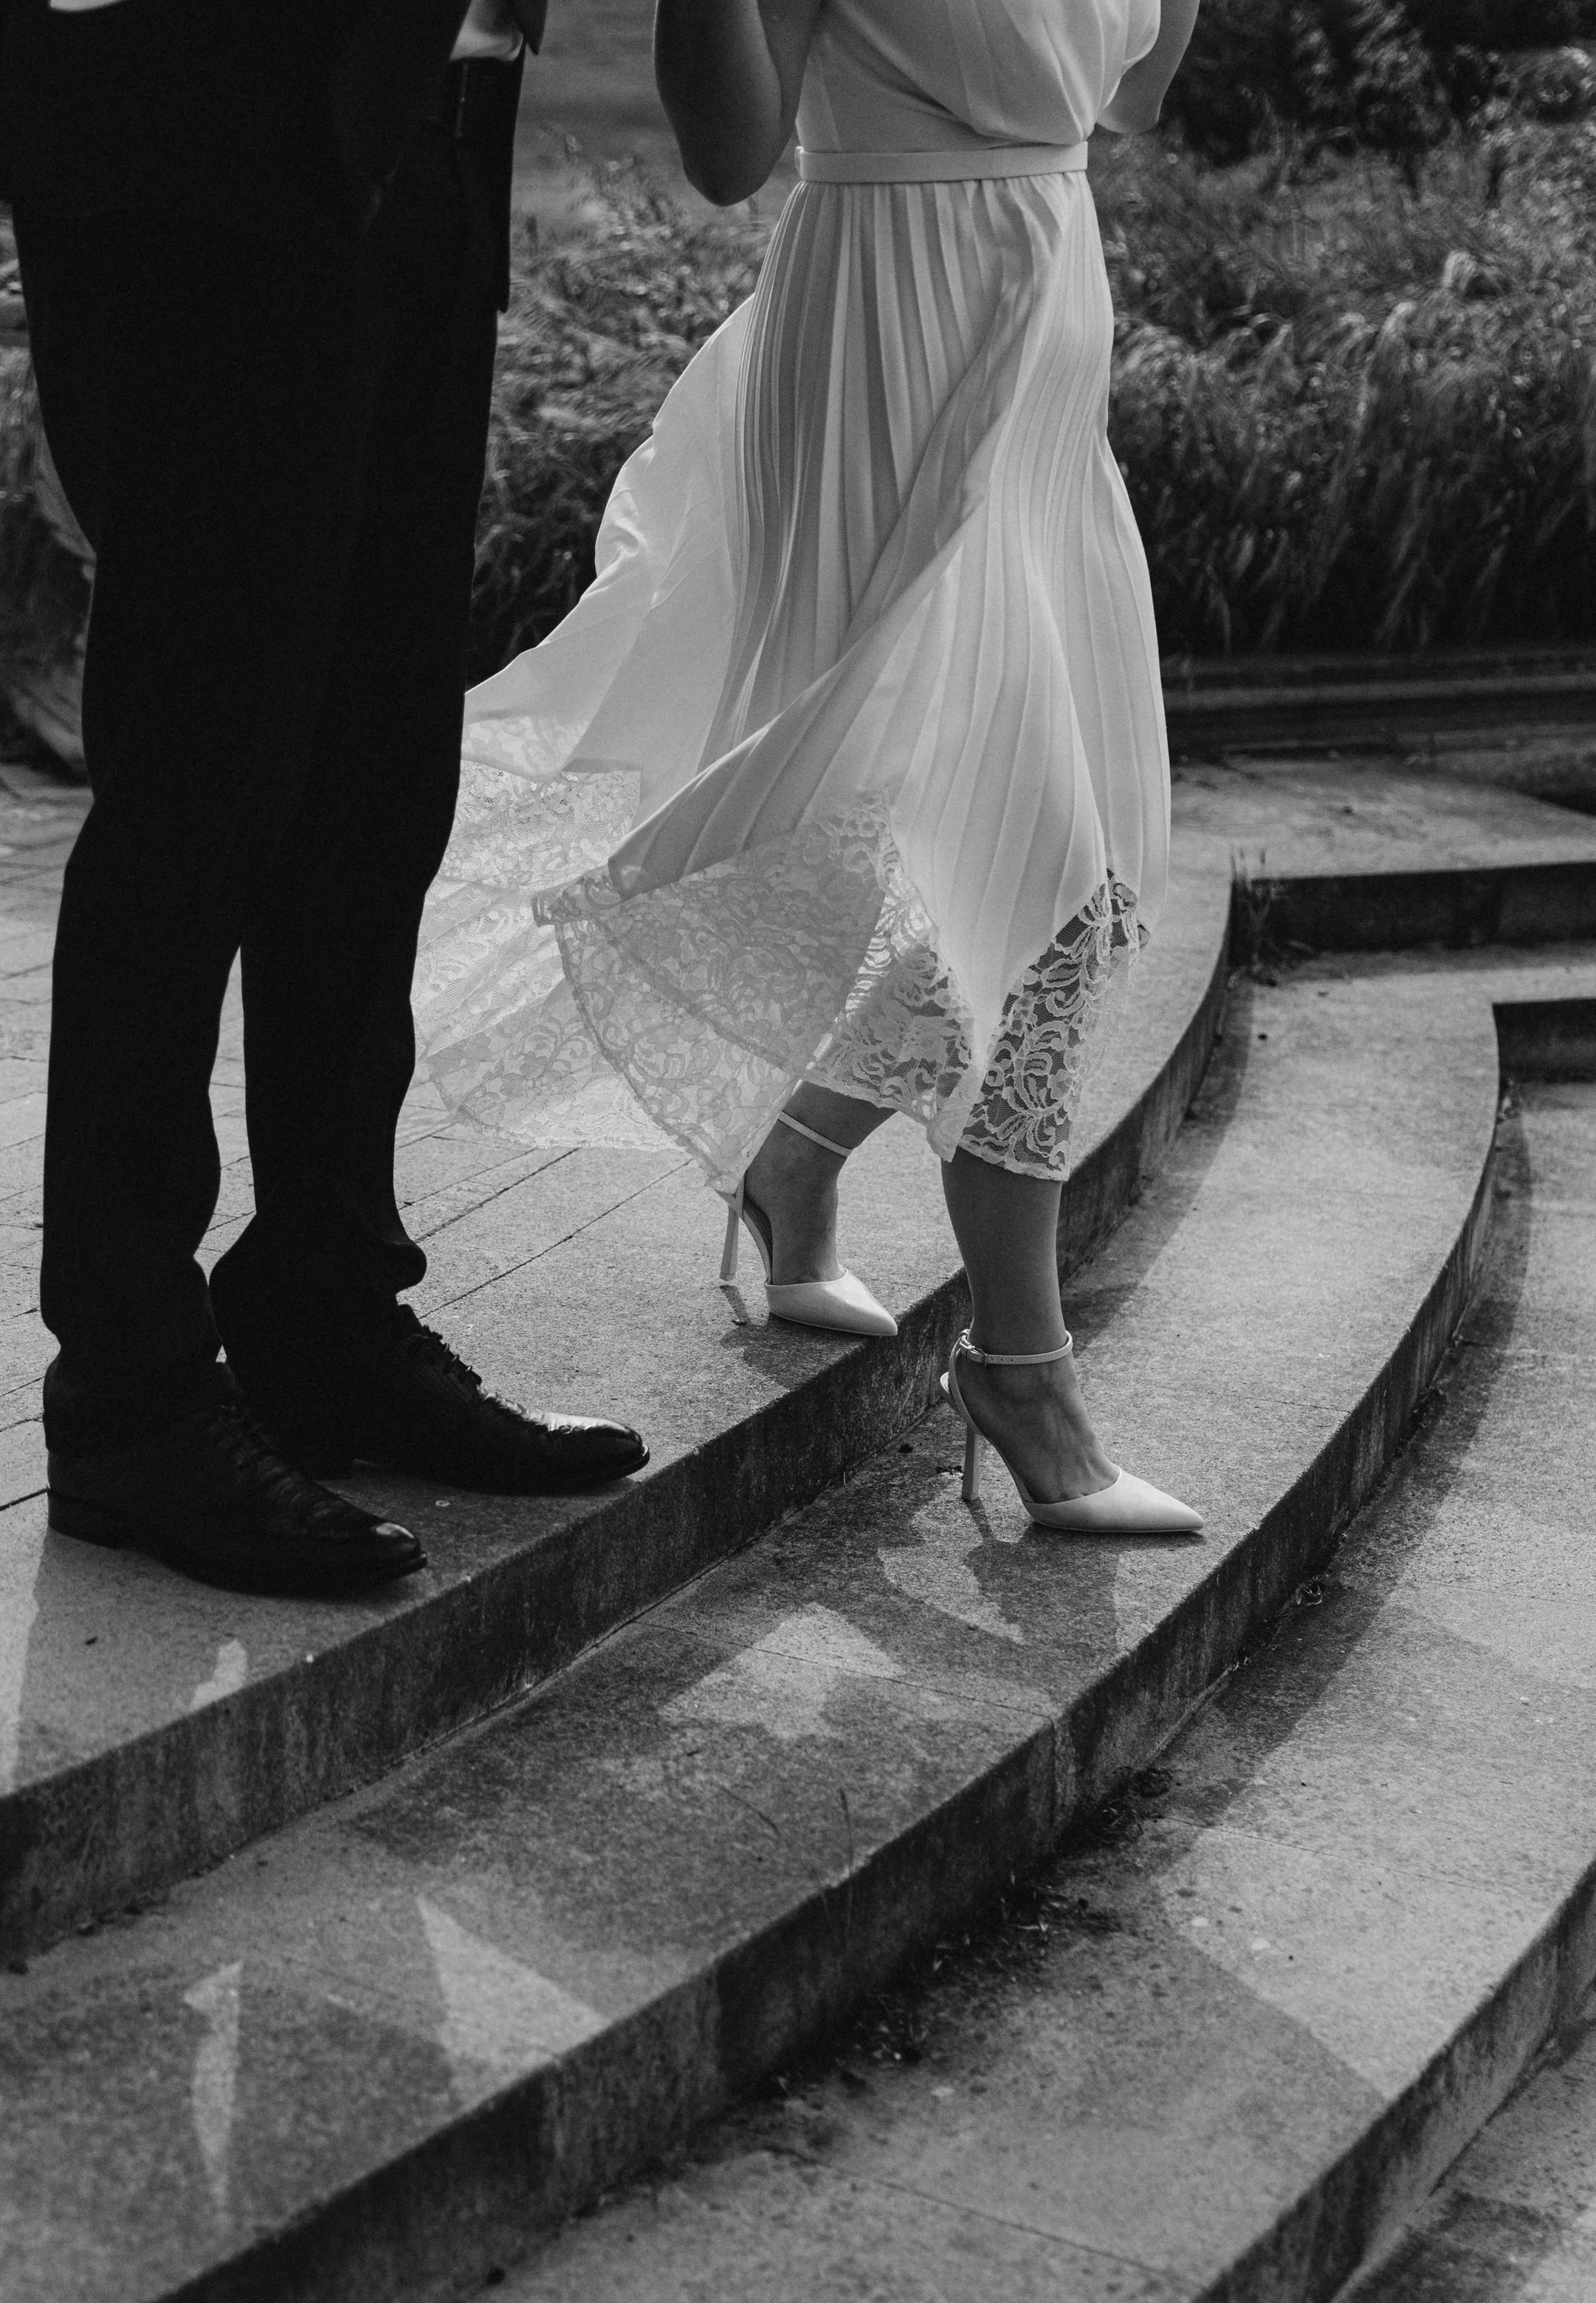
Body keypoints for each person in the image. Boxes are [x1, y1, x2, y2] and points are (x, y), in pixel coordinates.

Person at [414, 0, 1204, 1535]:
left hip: (1037, 336)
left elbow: (1133, 102)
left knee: (1059, 857)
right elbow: (725, 156)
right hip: (881, 341)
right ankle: (1019, 1371)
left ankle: (792, 1159)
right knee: (1031, 865)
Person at [0, 0, 649, 1600]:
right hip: (207, 106)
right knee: (204, 771)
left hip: (423, 103)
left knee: (373, 773)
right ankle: (127, 1388)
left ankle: (323, 1309)